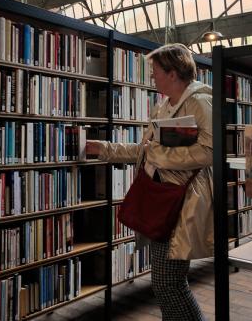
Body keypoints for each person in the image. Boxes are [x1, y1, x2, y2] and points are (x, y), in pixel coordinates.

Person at [86, 43, 214, 321]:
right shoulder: (161, 108)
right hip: (160, 199)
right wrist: (104, 149)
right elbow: (145, 150)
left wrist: (160, 154)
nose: (152, 78)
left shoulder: (200, 102)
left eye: (155, 71)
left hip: (182, 202)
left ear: (173, 72)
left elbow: (208, 152)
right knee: (167, 282)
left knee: (169, 283)